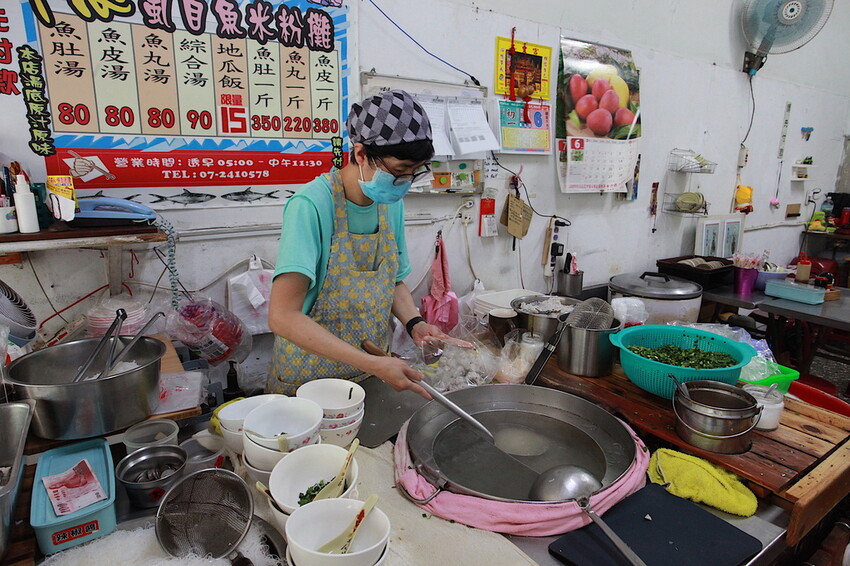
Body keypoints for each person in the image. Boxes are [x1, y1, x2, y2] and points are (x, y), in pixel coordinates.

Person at [267, 90, 446, 399]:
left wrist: (415, 322)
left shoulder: (390, 203)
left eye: (413, 173)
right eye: (400, 171)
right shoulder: (310, 204)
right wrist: (374, 364)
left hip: (370, 372)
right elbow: (283, 316)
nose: (405, 182)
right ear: (361, 154)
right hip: (309, 380)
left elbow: (391, 280)